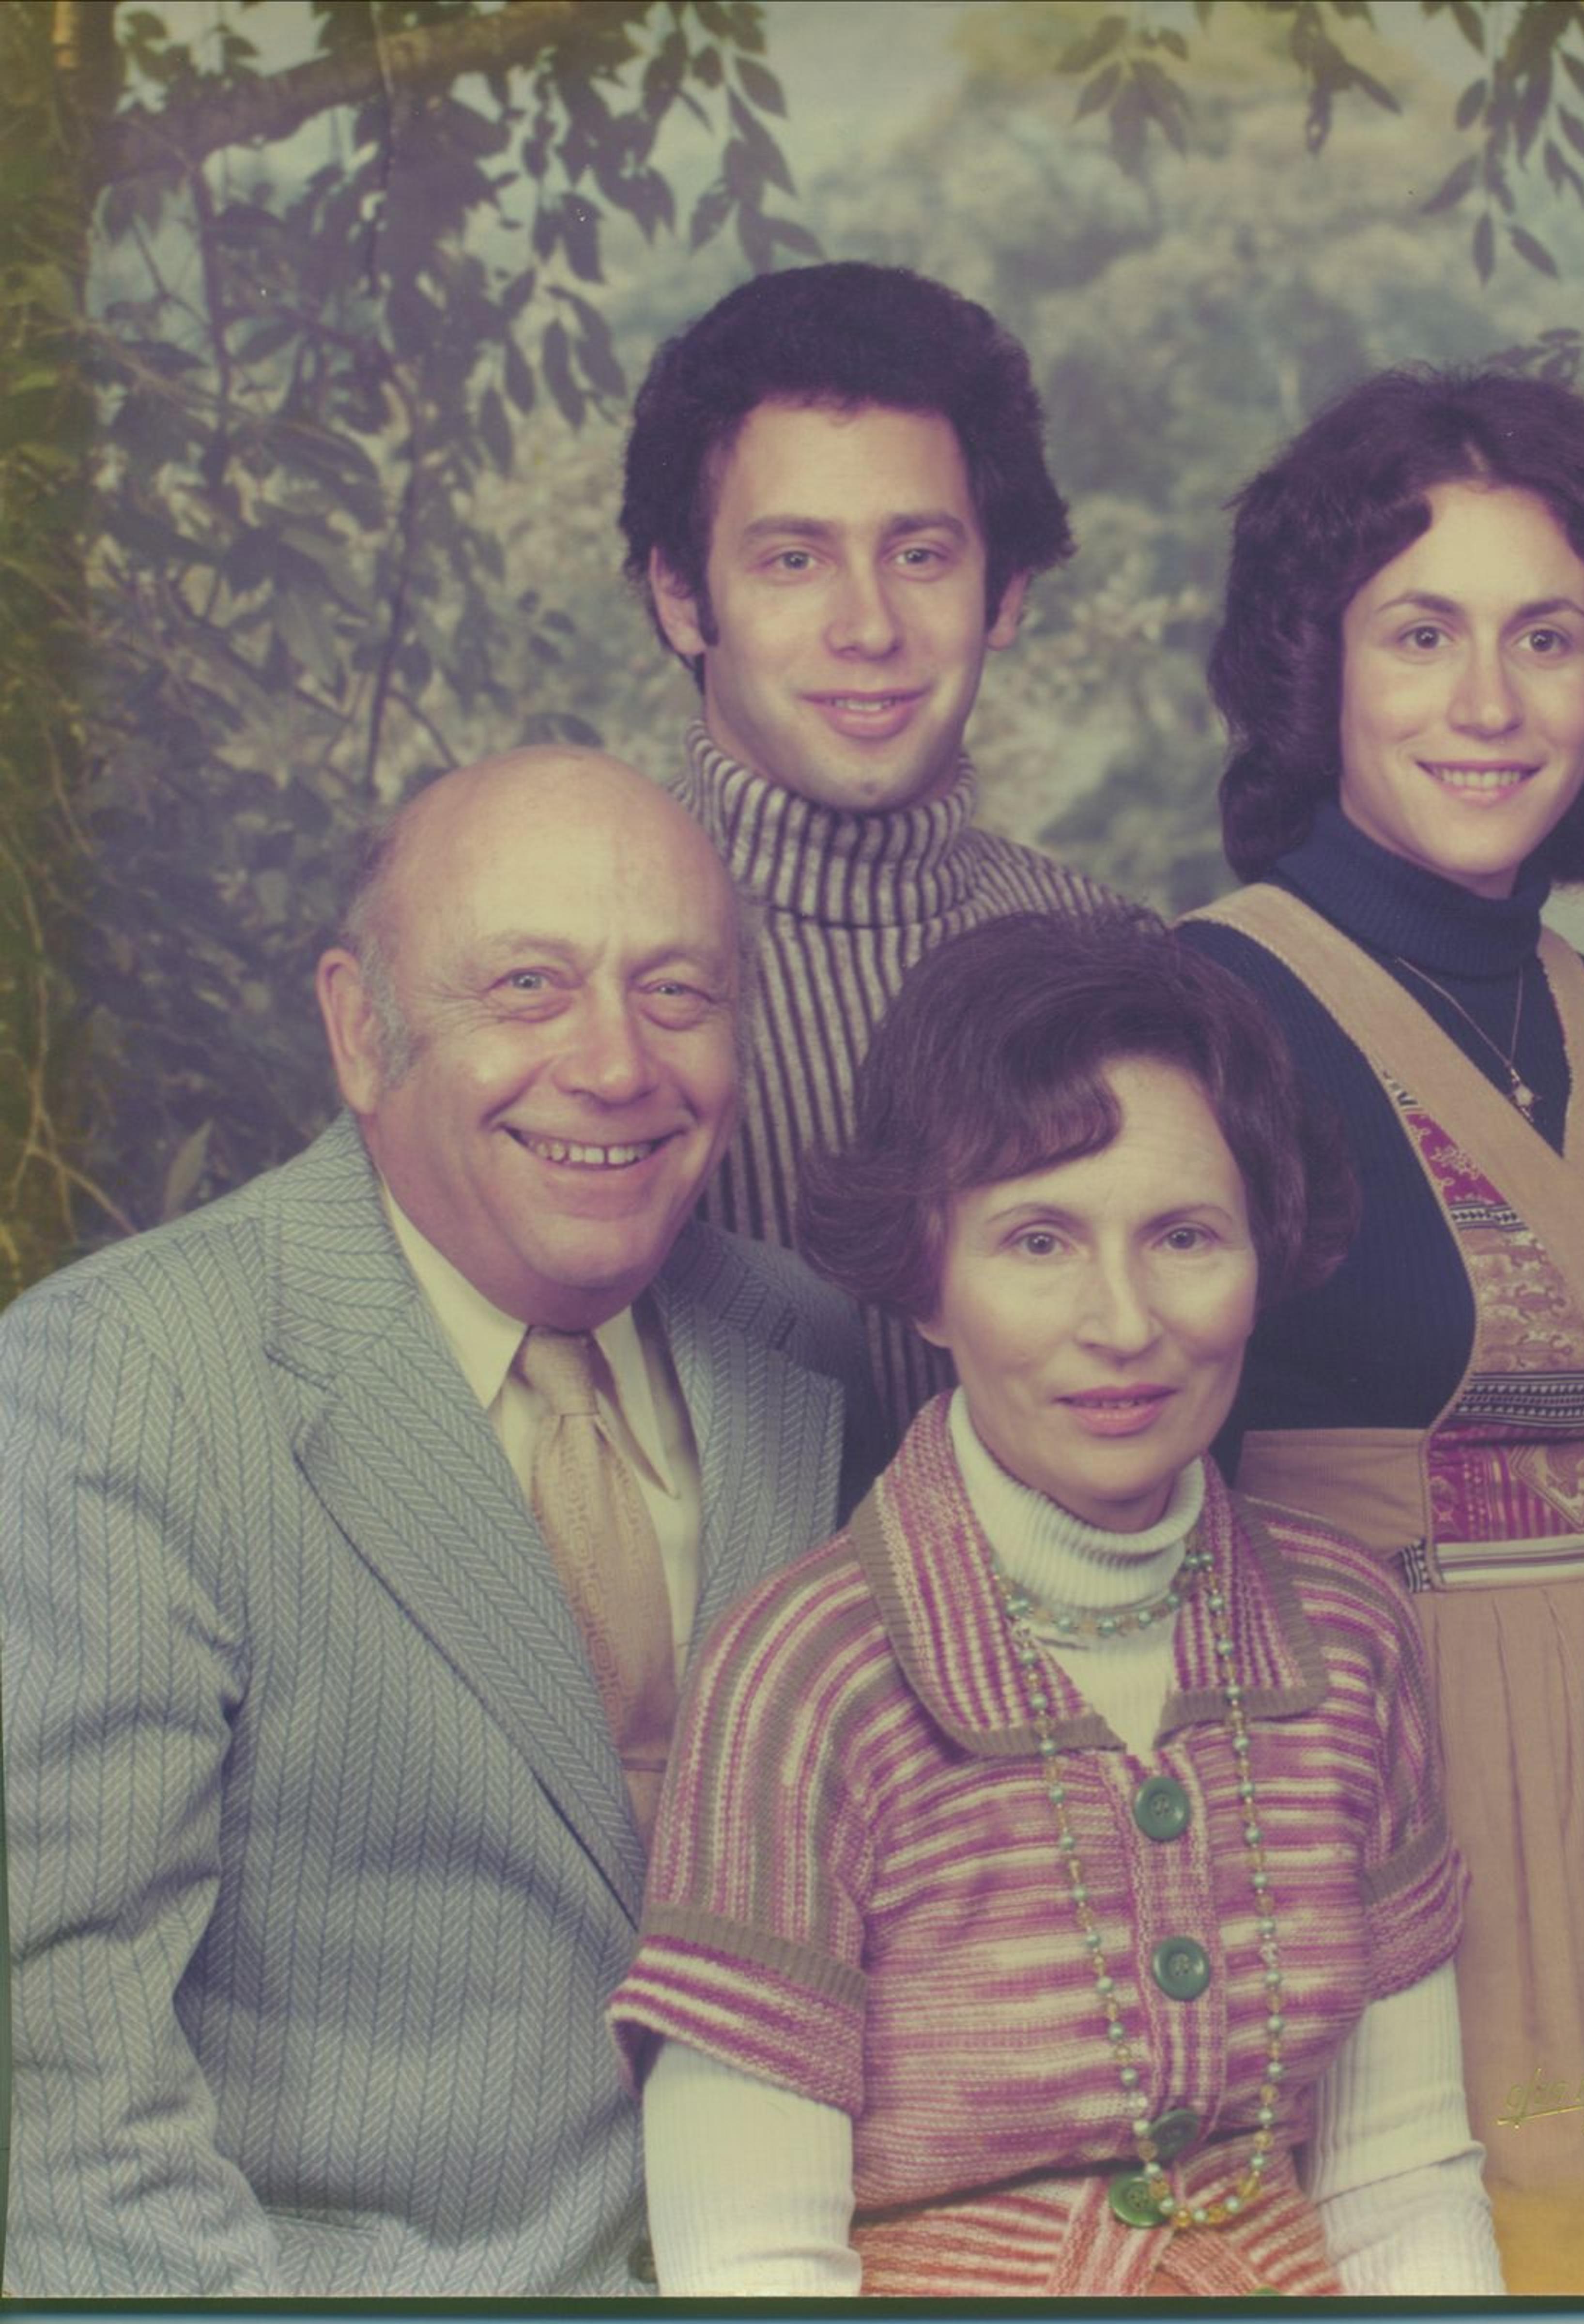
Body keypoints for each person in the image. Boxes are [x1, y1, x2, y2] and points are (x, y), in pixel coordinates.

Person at [0, 748, 876, 2295]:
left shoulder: (808, 1352)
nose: (617, 1064)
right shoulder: (121, 1387)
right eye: (529, 987)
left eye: (678, 993)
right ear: (360, 1027)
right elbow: (61, 2101)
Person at [1177, 366, 1584, 2295]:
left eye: (1547, 637)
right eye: (1424, 633)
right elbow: (1144, 1519)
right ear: (1323, 665)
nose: (1490, 701)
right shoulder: (1212, 1008)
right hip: (1382, 1837)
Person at [608, 910, 1507, 2298]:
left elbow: (1403, 2185)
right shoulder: (806, 1673)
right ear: (927, 1277)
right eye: (1038, 1241)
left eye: (1186, 1236)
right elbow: (748, 2259)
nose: (1125, 1322)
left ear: (1265, 1254)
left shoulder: (1348, 1633)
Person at [619, 260, 1121, 1439]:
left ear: (1005, 595)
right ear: (684, 600)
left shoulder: (1111, 959)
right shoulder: (573, 966)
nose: (868, 627)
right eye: (793, 558)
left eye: (921, 554)